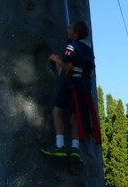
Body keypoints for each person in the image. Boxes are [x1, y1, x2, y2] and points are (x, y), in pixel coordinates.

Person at [41, 20, 96, 162]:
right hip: (85, 85)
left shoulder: (72, 47)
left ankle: (59, 145)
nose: (67, 30)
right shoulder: (88, 48)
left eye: (70, 28)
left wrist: (56, 59)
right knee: (74, 116)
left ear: (76, 33)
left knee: (57, 111)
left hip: (73, 83)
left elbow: (69, 66)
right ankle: (75, 148)